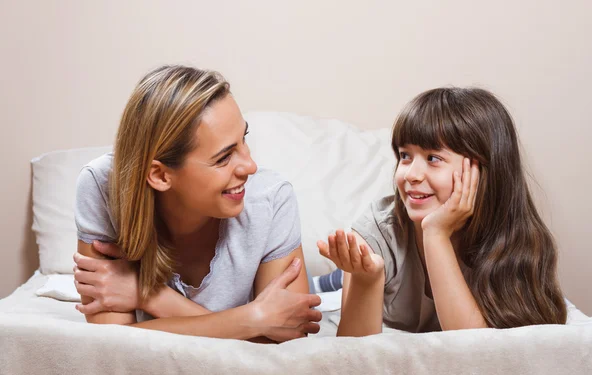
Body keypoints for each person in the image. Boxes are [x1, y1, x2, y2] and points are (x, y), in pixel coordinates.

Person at [72, 65, 321, 342]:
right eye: (224, 157)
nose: (250, 166)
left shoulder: (272, 199)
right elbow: (110, 343)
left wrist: (150, 295)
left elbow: (288, 347)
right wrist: (254, 321)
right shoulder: (103, 185)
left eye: (244, 139)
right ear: (160, 175)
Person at [317, 87, 567, 336]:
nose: (411, 175)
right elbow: (353, 356)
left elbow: (474, 349)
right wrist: (366, 280)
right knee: (327, 288)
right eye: (405, 156)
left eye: (433, 158)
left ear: (482, 172)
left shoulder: (519, 240)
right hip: (370, 276)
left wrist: (435, 234)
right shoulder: (377, 232)